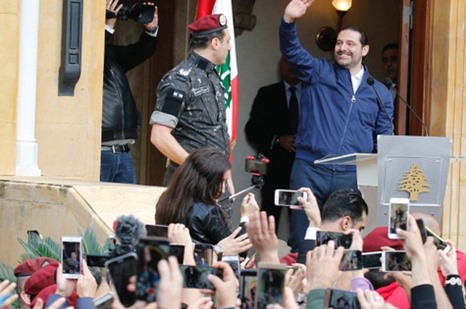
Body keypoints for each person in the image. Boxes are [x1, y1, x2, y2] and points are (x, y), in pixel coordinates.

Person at [280, 0, 394, 249]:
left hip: (349, 177)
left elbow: (384, 140)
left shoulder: (380, 93)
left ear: (365, 50)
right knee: (303, 240)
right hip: (309, 170)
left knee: (340, 244)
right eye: (339, 43)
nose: (342, 48)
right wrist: (289, 20)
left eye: (350, 44)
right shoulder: (318, 72)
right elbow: (292, 51)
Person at [149, 13, 234, 193]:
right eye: (227, 41)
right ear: (215, 43)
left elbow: (216, 131)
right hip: (190, 185)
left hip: (216, 183)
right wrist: (198, 168)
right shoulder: (180, 80)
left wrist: (225, 174)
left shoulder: (212, 76)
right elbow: (159, 136)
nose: (230, 47)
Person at [154, 147, 256, 256]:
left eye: (225, 182)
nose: (222, 189)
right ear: (206, 180)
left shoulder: (166, 200)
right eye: (220, 181)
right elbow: (239, 252)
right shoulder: (209, 212)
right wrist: (246, 217)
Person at [101, 0, 159, 183]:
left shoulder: (111, 55)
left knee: (124, 211)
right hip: (100, 154)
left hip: (123, 151)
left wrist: (151, 31)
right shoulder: (92, 53)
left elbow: (141, 52)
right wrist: (108, 23)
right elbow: (91, 54)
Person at [244, 56, 301, 229]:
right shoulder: (267, 93)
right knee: (269, 220)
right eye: (287, 62)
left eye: (295, 62)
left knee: (301, 222)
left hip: (303, 170)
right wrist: (277, 139)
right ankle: (265, 256)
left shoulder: (313, 95)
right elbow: (252, 130)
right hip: (274, 170)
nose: (291, 66)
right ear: (281, 65)